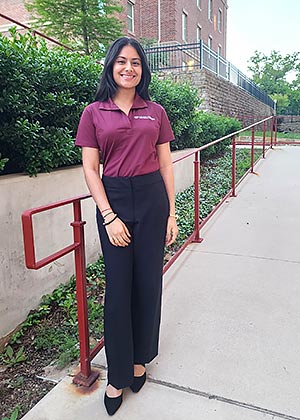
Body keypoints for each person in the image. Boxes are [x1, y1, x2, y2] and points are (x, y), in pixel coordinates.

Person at [75, 36, 178, 416]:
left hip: (152, 197)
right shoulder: (94, 112)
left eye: (135, 62)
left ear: (142, 69)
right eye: (121, 62)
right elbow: (90, 168)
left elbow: (166, 164)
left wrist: (171, 212)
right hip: (114, 199)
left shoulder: (156, 111)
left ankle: (140, 360)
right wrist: (108, 214)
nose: (128, 68)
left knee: (149, 282)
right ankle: (118, 375)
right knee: (119, 289)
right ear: (110, 66)